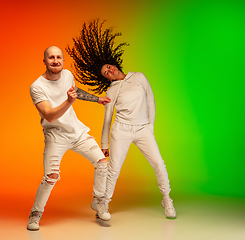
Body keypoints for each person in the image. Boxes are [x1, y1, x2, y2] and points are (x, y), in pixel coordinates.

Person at [66, 19, 176, 219]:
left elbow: (151, 102)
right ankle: (103, 204)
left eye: (108, 67)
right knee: (114, 169)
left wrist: (150, 127)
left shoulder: (140, 77)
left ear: (114, 64)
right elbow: (108, 119)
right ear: (106, 79)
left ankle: (167, 199)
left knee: (159, 164)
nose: (109, 71)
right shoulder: (112, 89)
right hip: (121, 130)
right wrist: (104, 143)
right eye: (106, 73)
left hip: (143, 129)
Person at [27, 46, 111, 231]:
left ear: (63, 61)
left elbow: (74, 91)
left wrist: (97, 99)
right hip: (55, 136)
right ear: (45, 61)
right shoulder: (37, 87)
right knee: (51, 177)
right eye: (51, 58)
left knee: (101, 162)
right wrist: (68, 102)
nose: (55, 60)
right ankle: (35, 214)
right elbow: (49, 115)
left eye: (58, 57)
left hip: (77, 132)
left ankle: (98, 202)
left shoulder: (67, 75)